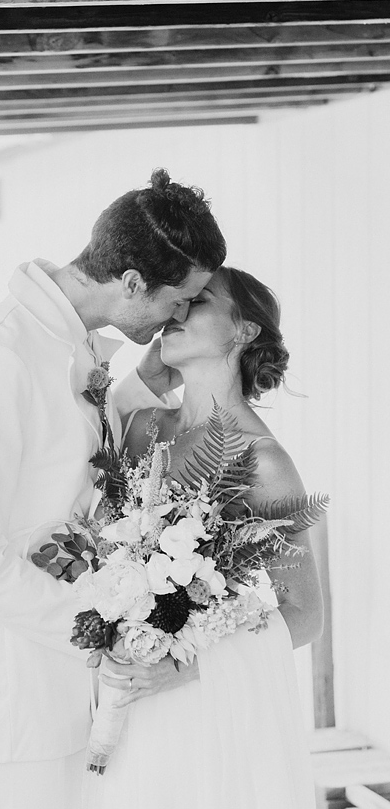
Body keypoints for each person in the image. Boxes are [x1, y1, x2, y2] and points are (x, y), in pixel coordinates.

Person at [0, 169, 227, 808]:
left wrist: (141, 387)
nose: (181, 317)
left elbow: (65, 456)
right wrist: (105, 629)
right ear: (134, 283)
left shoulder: (68, 339)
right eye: (179, 300)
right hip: (4, 712)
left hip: (61, 704)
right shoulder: (0, 363)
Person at [86, 267, 322, 808]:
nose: (177, 311)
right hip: (122, 689)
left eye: (200, 300)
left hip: (199, 700)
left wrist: (184, 667)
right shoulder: (144, 426)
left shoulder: (264, 463)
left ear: (243, 332)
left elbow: (305, 613)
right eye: (178, 300)